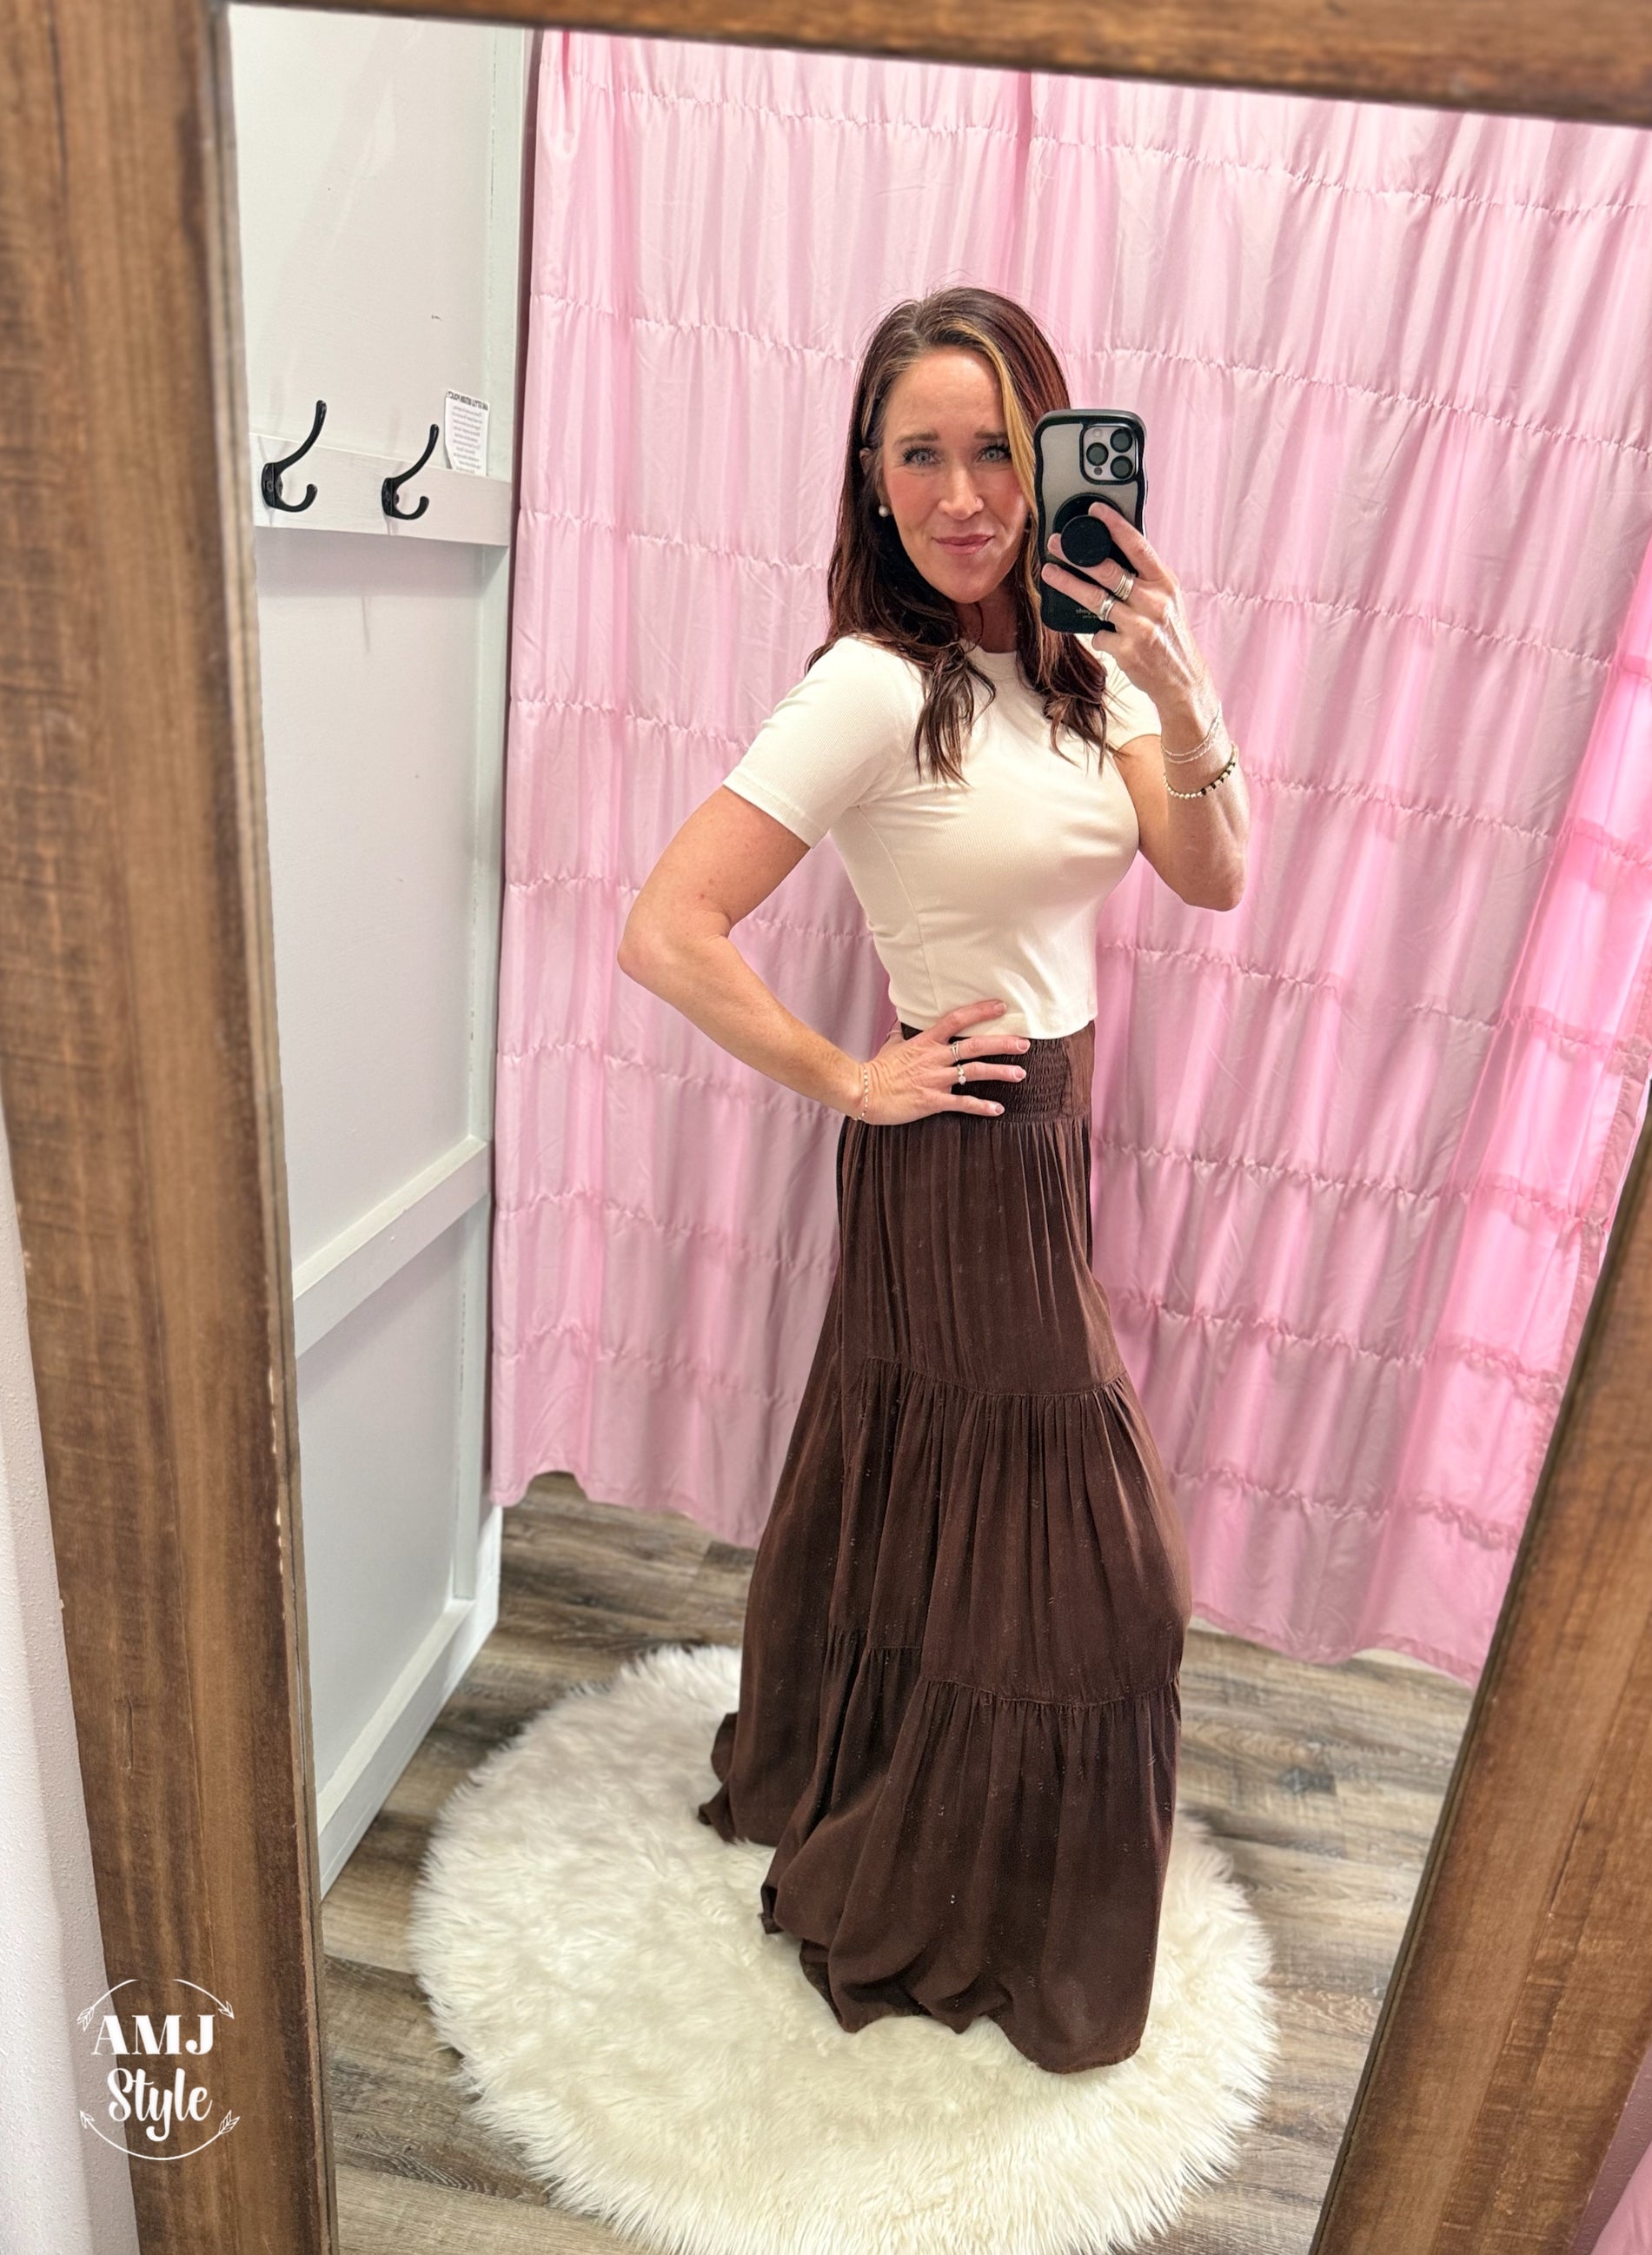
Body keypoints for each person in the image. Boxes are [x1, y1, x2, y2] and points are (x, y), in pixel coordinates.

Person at [617, 285, 1249, 2074]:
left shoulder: (1083, 670)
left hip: (1048, 1134)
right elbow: (667, 926)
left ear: (1050, 461)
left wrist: (1178, 680)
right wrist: (849, 1075)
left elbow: (1209, 873)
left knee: (929, 1493)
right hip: (956, 1140)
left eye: (993, 448)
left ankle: (894, 1796)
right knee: (1108, 1574)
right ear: (870, 477)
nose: (961, 493)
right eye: (920, 454)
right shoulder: (872, 685)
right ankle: (951, 1887)